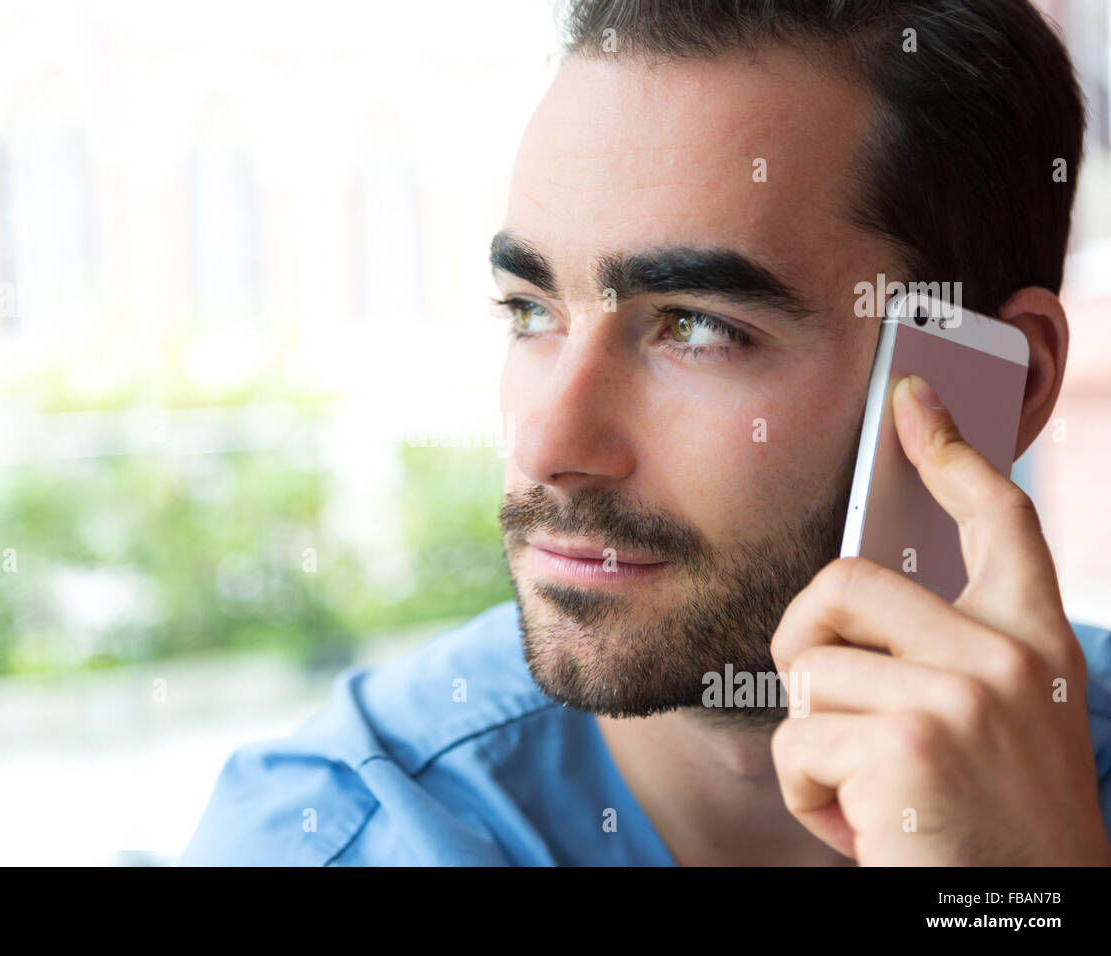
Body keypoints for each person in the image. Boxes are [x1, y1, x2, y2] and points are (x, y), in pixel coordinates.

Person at [182, 0, 1111, 865]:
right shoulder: (343, 838)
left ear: (1004, 380)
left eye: (698, 327)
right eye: (530, 310)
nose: (549, 448)